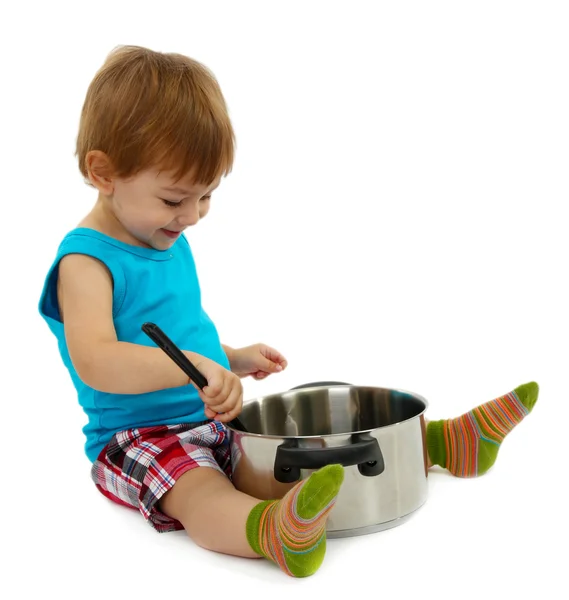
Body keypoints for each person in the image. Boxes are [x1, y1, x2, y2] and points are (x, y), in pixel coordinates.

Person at [39, 45, 539, 579]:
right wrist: (194, 362)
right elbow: (96, 359)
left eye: (206, 197)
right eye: (175, 199)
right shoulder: (86, 263)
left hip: (212, 419)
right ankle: (272, 533)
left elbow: (176, 330)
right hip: (141, 439)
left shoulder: (162, 234)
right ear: (103, 172)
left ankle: (438, 442)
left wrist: (228, 356)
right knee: (200, 490)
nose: (192, 216)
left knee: (301, 446)